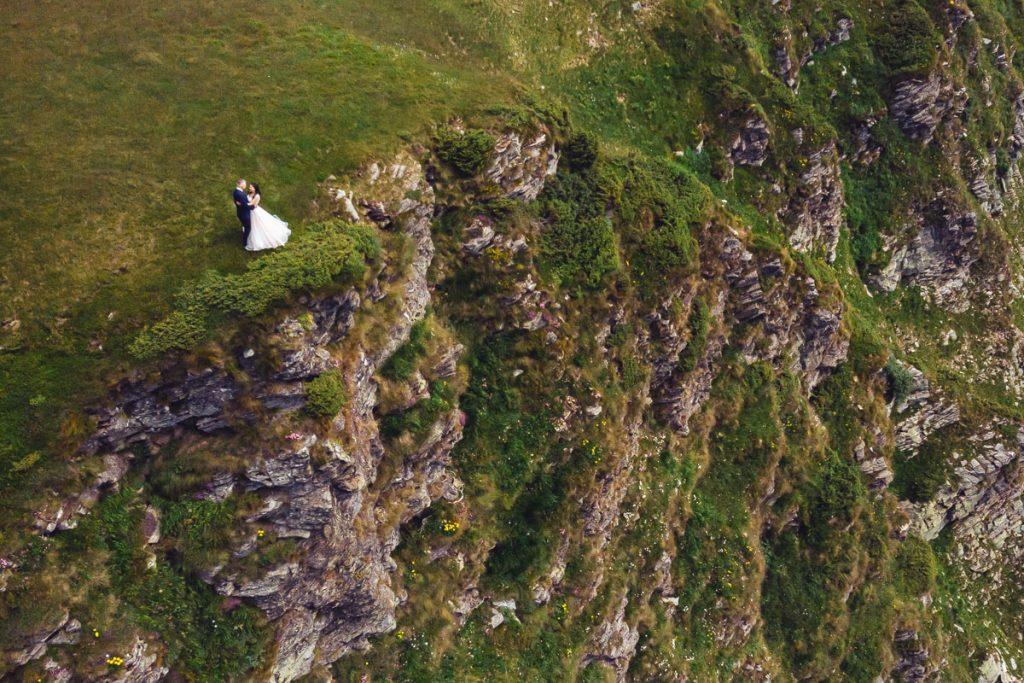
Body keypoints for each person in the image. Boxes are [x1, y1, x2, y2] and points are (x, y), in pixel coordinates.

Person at [245, 182, 291, 251]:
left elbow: (251, 204)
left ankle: (259, 240)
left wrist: (242, 203)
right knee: (252, 225)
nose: (250, 188)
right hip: (250, 211)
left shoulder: (257, 196)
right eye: (250, 187)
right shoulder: (250, 193)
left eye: (251, 187)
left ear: (255, 188)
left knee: (257, 225)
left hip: (254, 211)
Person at [232, 178, 252, 246]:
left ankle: (244, 232)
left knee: (245, 225)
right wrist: (254, 206)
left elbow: (236, 200)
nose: (245, 185)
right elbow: (246, 206)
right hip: (244, 215)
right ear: (240, 185)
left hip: (240, 213)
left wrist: (236, 202)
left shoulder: (236, 191)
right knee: (248, 228)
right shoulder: (240, 194)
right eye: (244, 184)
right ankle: (245, 243)